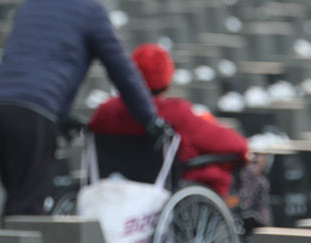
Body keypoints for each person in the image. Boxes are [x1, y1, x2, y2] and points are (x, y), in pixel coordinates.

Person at [0, 0, 166, 218]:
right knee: (28, 209)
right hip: (34, 112)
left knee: (18, 200)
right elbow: (121, 69)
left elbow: (33, 61)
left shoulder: (31, 5)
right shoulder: (90, 11)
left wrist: (61, 116)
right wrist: (149, 117)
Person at [89, 43, 249, 198]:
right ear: (167, 78)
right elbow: (234, 144)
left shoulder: (105, 111)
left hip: (112, 191)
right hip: (160, 193)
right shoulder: (175, 113)